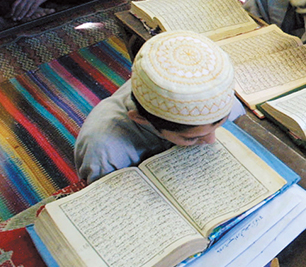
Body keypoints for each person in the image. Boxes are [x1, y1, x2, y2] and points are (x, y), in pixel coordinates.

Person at [74, 30, 244, 183]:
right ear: (141, 119)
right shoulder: (103, 152)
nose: (211, 141)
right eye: (190, 138)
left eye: (220, 125)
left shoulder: (215, 99)